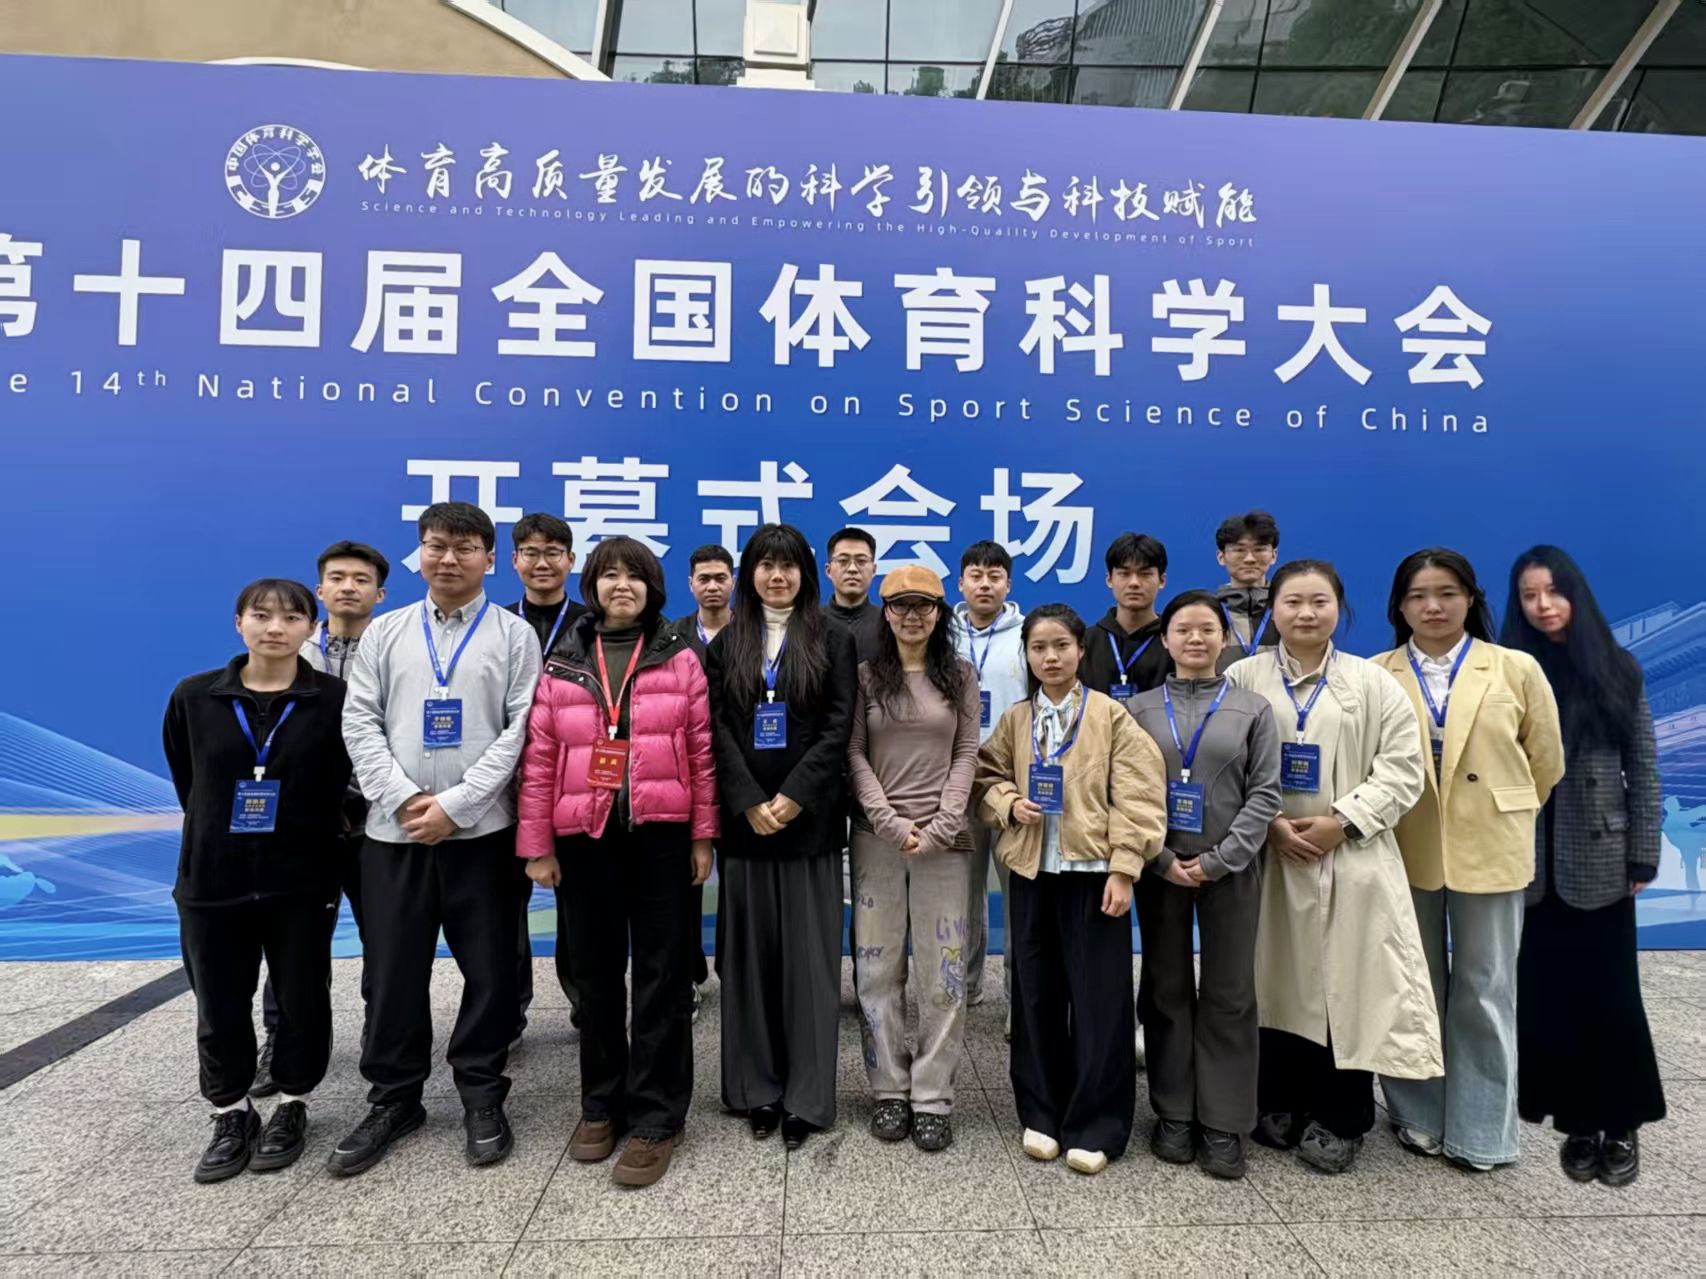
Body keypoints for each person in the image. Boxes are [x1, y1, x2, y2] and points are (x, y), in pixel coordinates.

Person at [334, 501, 542, 1176]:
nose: (448, 558)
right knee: (393, 970)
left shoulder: (514, 635)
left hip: (482, 836)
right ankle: (394, 1097)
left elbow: (520, 731)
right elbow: (358, 722)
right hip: (393, 836)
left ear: (490, 557)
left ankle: (482, 1091)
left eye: (464, 547)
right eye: (435, 545)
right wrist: (402, 799)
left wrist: (455, 805)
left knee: (491, 971)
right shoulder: (386, 631)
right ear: (418, 553)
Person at [1225, 559, 1441, 1176]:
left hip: (1351, 857)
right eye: (1292, 602)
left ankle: (1341, 1116)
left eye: (1318, 601)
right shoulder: (1243, 676)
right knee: (1271, 981)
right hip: (1267, 855)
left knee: (1345, 989)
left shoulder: (1372, 683)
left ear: (1339, 609)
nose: (1305, 613)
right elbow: (1220, 761)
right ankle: (1276, 1099)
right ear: (1272, 609)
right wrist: (1268, 823)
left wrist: (1341, 822)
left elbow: (1403, 769)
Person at [515, 537, 717, 1187]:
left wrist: (703, 837)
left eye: (634, 575)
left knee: (661, 977)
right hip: (584, 836)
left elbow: (702, 752)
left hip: (662, 835)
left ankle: (658, 1115)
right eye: (609, 575)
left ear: (653, 587)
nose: (621, 584)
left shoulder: (679, 656)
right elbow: (540, 759)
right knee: (596, 976)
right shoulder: (564, 661)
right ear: (593, 586)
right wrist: (537, 845)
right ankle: (601, 1103)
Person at [1375, 548, 1564, 1173]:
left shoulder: (1514, 668)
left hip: (1490, 846)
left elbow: (1546, 760)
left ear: (1471, 600)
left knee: (1486, 987)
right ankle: (1417, 1113)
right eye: (1418, 596)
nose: (1433, 607)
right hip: (1406, 846)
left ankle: (1482, 1130)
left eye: (1447, 593)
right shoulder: (1377, 673)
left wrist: (1501, 809)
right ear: (1400, 608)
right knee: (1412, 985)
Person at [163, 579, 351, 1181]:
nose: (275, 628)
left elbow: (341, 779)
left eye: (292, 618)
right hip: (213, 878)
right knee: (219, 1001)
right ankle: (230, 1109)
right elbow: (190, 780)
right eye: (261, 615)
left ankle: (293, 1101)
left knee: (302, 996)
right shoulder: (195, 697)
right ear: (238, 622)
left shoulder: (332, 698)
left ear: (310, 629)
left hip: (301, 877)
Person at [974, 604, 1167, 1175]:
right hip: (1033, 872)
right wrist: (1010, 803)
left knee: (1099, 1002)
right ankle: (1041, 1113)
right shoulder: (1017, 719)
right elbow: (985, 778)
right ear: (1027, 656)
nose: (1050, 657)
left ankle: (1096, 1124)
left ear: (1081, 650)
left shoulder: (1111, 716)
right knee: (1035, 997)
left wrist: (1124, 868)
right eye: (1038, 648)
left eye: (1061, 645)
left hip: (1094, 876)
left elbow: (1139, 794)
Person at [1502, 545, 1663, 1186]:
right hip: (1528, 861)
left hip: (1600, 855)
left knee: (1612, 994)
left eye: (1553, 592)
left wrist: (1643, 851)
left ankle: (1619, 1121)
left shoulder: (1617, 667)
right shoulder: (1511, 668)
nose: (1543, 606)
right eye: (1529, 596)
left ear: (1576, 594)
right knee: (1549, 996)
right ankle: (1576, 1122)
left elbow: (1642, 765)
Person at [708, 523, 856, 1151]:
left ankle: (806, 1096)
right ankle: (756, 1090)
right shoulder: (727, 641)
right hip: (746, 828)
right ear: (750, 574)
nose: (776, 576)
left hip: (808, 825)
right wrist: (747, 800)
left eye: (788, 565)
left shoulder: (832, 637)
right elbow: (714, 727)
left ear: (805, 573)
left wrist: (794, 795)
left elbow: (839, 726)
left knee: (809, 967)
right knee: (750, 966)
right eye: (765, 565)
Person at [1128, 590, 1281, 1179]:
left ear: (1224, 639)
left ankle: (1224, 1120)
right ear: (1165, 640)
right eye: (1183, 630)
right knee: (1165, 987)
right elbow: (1125, 791)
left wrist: (1219, 860)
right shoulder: (1137, 710)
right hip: (1160, 869)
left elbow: (1264, 794)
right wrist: (1161, 858)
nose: (1195, 639)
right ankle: (1173, 1112)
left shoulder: (1252, 709)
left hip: (1231, 869)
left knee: (1229, 991)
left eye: (1206, 630)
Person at [848, 565, 981, 1153]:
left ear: (939, 613)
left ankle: (932, 1096)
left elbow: (968, 751)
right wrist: (890, 821)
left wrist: (944, 822)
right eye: (900, 604)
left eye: (924, 605)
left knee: (942, 973)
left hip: (944, 844)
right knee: (876, 971)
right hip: (877, 840)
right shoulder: (866, 676)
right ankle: (888, 1089)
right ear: (886, 613)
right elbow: (854, 753)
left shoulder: (961, 675)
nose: (912, 615)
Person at [250, 539, 388, 1101]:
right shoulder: (287, 652)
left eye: (361, 579)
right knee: (292, 943)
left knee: (385, 939)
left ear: (380, 593)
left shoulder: (397, 645)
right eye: (337, 578)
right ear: (319, 590)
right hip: (302, 825)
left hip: (374, 820)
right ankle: (282, 1044)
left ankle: (383, 1039)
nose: (348, 587)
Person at [506, 512, 588, 1039]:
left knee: (578, 907)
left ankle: (586, 1003)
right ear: (514, 560)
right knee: (504, 910)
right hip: (504, 784)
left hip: (573, 782)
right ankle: (509, 1014)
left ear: (570, 560)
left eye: (553, 552)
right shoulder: (496, 624)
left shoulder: (592, 623)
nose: (542, 562)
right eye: (531, 553)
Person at [952, 541, 1028, 1013]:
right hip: (956, 779)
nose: (985, 584)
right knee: (963, 890)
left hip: (1009, 782)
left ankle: (1020, 999)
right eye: (976, 576)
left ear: (1008, 584)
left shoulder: (1027, 636)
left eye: (994, 576)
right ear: (960, 583)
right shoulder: (942, 634)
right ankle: (965, 989)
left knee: (1018, 890)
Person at [672, 543, 736, 1004]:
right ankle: (688, 974)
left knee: (737, 882)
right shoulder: (670, 636)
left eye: (720, 578)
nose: (712, 586)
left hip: (738, 774)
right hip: (684, 772)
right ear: (690, 584)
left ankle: (735, 971)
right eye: (704, 579)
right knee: (684, 881)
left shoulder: (754, 633)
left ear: (733, 582)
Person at [1081, 533, 1173, 704]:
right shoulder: (1085, 642)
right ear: (1109, 579)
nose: (1134, 583)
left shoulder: (1174, 642)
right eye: (1124, 574)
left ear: (1162, 580)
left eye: (1145, 574)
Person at [1213, 510, 1280, 668]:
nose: (1249, 559)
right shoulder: (1209, 610)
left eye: (1259, 549)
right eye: (1239, 550)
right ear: (1221, 557)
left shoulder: (1286, 608)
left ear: (1274, 555)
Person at [822, 526, 884, 662]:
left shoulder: (887, 622)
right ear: (828, 570)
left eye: (861, 561)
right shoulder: (810, 622)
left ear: (874, 570)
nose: (852, 569)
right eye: (843, 561)